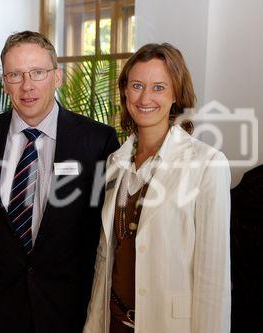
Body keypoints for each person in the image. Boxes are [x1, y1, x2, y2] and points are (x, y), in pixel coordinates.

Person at [0, 31, 120, 333]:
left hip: (70, 305)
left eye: (37, 72)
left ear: (56, 76)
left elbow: (99, 228)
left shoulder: (96, 141)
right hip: (2, 305)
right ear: (5, 81)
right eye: (16, 74)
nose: (27, 85)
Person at [83, 43, 231, 333]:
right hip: (113, 324)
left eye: (159, 87)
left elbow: (213, 279)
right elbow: (107, 257)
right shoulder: (115, 161)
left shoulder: (207, 164)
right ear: (125, 91)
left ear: (176, 94)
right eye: (137, 85)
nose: (145, 97)